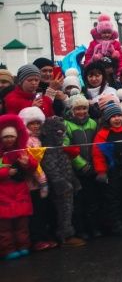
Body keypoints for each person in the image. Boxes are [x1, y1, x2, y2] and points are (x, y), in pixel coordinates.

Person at [92, 103, 122, 236]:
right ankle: (115, 224)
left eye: (119, 115)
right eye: (113, 116)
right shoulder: (102, 134)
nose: (117, 119)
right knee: (113, 199)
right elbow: (98, 155)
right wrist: (101, 171)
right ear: (108, 119)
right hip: (111, 172)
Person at [38, 116, 85, 247]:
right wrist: (62, 184)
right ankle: (65, 235)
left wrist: (73, 181)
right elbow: (51, 168)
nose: (61, 135)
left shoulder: (59, 146)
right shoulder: (49, 149)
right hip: (59, 187)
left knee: (68, 210)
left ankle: (66, 233)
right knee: (63, 210)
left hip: (67, 184)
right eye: (58, 133)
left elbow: (67, 164)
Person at [0, 114, 38, 260]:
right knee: (5, 228)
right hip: (3, 195)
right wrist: (6, 172)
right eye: (6, 137)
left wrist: (27, 163)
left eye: (12, 136)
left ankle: (23, 246)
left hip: (20, 193)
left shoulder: (21, 151)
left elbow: (34, 165)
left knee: (22, 225)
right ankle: (8, 250)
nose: (9, 139)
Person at [64, 94, 101, 240]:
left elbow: (98, 145)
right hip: (77, 170)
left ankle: (94, 227)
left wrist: (95, 163)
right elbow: (66, 147)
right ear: (72, 110)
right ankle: (80, 229)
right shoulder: (67, 125)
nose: (81, 111)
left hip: (93, 167)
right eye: (78, 108)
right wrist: (82, 164)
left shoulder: (92, 123)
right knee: (78, 202)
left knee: (93, 200)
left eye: (84, 108)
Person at [18, 106, 55, 251]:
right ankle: (37, 240)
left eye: (38, 123)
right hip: (32, 183)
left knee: (42, 211)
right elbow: (32, 163)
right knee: (35, 213)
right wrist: (42, 180)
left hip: (40, 182)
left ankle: (44, 237)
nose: (35, 126)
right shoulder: (26, 141)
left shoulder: (38, 138)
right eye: (31, 123)